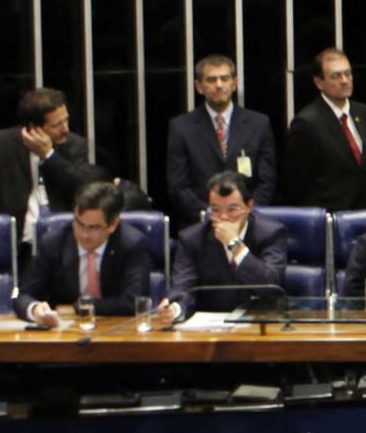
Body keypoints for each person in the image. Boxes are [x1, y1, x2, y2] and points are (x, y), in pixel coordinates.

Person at [0, 87, 100, 243]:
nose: (65, 129)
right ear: (34, 128)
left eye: (66, 120)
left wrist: (49, 155)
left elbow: (84, 187)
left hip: (63, 240)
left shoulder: (74, 145)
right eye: (56, 125)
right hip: (15, 240)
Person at [20, 180, 169, 325]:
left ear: (113, 224)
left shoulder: (132, 244)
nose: (84, 234)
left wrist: (81, 307)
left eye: (94, 227)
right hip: (63, 328)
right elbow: (23, 295)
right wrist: (35, 309)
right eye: (79, 223)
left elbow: (133, 301)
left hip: (117, 328)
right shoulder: (54, 242)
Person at [164, 54, 278, 225]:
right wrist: (211, 214)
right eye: (211, 80)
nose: (219, 85)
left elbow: (267, 181)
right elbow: (178, 185)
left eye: (224, 79)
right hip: (200, 224)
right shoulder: (181, 127)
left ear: (234, 83)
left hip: (248, 223)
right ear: (199, 87)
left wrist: (246, 213)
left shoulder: (259, 124)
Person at [170, 170, 289, 315]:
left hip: (259, 318)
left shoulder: (271, 233)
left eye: (232, 209)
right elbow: (183, 287)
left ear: (249, 206)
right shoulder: (192, 239)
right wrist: (175, 309)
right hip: (210, 322)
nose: (224, 217)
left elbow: (271, 286)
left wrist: (234, 244)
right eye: (215, 210)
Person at [281, 48, 366, 213]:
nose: (345, 81)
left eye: (348, 74)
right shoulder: (307, 123)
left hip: (363, 211)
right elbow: (295, 183)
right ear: (319, 82)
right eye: (336, 76)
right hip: (329, 214)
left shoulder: (362, 111)